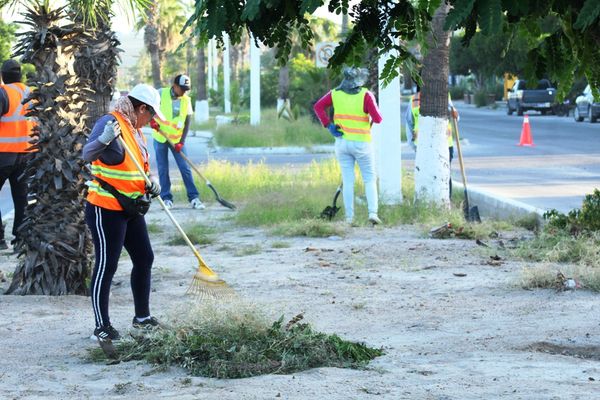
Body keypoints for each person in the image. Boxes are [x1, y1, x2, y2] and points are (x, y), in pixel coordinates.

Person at [83, 84, 165, 342]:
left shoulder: (135, 130)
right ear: (141, 108)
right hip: (105, 208)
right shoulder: (111, 123)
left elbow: (137, 166)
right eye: (151, 114)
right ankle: (102, 326)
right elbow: (86, 154)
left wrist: (151, 183)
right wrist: (104, 139)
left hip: (131, 207)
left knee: (144, 257)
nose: (151, 120)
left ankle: (142, 319)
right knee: (107, 265)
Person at [313, 67, 383, 225]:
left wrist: (329, 126)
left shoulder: (335, 93)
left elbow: (318, 107)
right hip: (362, 144)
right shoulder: (366, 95)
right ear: (359, 81)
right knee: (369, 179)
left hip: (342, 143)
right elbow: (378, 119)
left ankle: (349, 218)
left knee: (348, 180)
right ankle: (372, 213)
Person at [151, 74, 204, 210]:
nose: (184, 92)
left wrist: (182, 141)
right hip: (160, 137)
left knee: (185, 168)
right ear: (174, 86)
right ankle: (167, 198)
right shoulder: (160, 93)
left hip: (177, 140)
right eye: (182, 89)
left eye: (187, 89)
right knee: (163, 169)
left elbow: (187, 122)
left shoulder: (186, 100)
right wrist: (151, 120)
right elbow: (149, 107)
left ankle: (194, 198)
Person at [0, 59, 34, 250]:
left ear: (3, 75)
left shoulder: (3, 92)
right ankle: (20, 239)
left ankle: (0, 241)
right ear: (19, 74)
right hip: (27, 154)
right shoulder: (30, 93)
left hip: (4, 154)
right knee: (21, 198)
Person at [405, 88, 458, 196]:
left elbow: (456, 116)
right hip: (422, 146)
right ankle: (429, 200)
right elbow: (409, 122)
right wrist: (412, 144)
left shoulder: (444, 95)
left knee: (445, 174)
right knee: (426, 174)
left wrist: (454, 113)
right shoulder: (414, 99)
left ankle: (447, 201)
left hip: (445, 144)